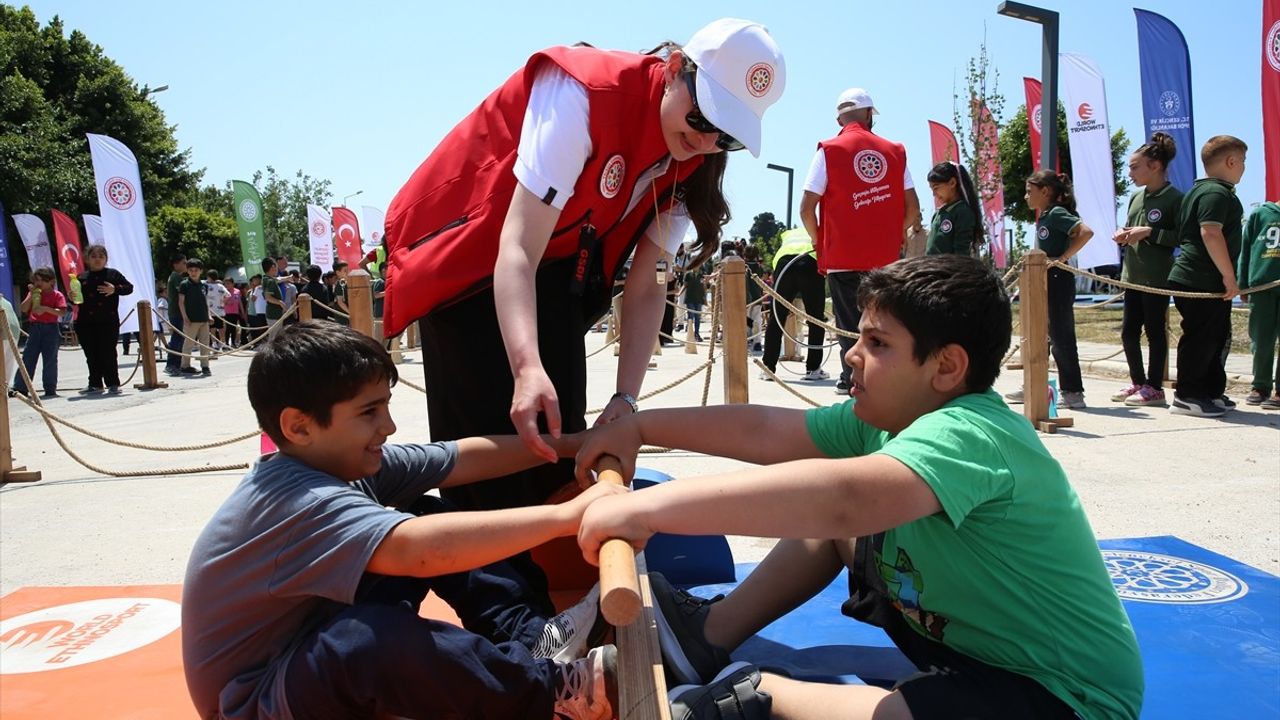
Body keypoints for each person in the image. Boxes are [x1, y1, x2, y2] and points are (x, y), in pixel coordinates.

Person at [574, 255, 1143, 720]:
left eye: (877, 343)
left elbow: (845, 499)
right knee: (830, 531)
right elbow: (765, 429)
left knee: (901, 715)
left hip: (1063, 697)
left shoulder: (973, 432)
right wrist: (642, 426)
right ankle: (707, 636)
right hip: (959, 645)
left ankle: (752, 698)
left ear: (946, 367)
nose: (852, 354)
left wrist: (647, 511)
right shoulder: (882, 421)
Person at [383, 19, 786, 599]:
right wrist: (526, 368)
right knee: (492, 458)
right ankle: (495, 605)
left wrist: (625, 402)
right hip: (471, 268)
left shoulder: (691, 165)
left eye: (725, 136)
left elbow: (646, 284)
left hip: (553, 280)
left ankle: (542, 598)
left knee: (555, 448)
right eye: (699, 120)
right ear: (675, 70)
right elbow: (516, 247)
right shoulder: (582, 94)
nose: (704, 142)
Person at [182, 321, 625, 720]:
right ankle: (550, 694)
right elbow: (421, 551)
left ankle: (532, 639)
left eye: (386, 407)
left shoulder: (341, 464)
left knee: (421, 510)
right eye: (369, 412)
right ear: (299, 427)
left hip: (302, 656)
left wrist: (578, 444)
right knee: (361, 641)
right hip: (260, 704)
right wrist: (569, 517)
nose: (389, 426)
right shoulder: (296, 500)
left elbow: (459, 458)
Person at [800, 87, 922, 395]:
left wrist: (820, 240)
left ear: (839, 117)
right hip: (885, 258)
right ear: (869, 115)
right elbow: (914, 209)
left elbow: (805, 208)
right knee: (883, 319)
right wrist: (893, 235)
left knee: (849, 321)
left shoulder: (828, 150)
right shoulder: (895, 151)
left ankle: (850, 377)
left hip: (842, 256)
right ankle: (885, 377)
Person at [1167, 135, 1248, 418]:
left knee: (1216, 336)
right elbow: (1210, 232)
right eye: (1243, 162)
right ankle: (1188, 395)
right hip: (1200, 277)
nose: (1244, 168)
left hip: (1203, 277)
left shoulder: (1199, 191)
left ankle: (1209, 391)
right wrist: (1229, 276)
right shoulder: (1216, 193)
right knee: (1201, 338)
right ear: (1231, 161)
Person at [1005, 171, 1094, 409]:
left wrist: (1062, 258)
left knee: (1061, 337)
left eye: (1029, 191)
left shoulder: (1056, 213)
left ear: (1045, 191)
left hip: (1057, 279)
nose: (1025, 197)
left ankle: (1073, 391)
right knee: (1037, 335)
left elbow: (1085, 232)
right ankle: (1036, 386)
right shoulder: (1044, 216)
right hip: (1040, 279)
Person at [1111, 133, 1182, 407]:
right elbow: (1132, 228)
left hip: (1156, 278)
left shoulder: (1175, 199)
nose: (1129, 173)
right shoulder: (1135, 197)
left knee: (1154, 332)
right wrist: (1123, 232)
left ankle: (1155, 387)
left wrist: (1151, 232)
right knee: (1128, 332)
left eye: (1134, 166)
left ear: (1155, 166)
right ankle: (1138, 381)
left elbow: (1182, 236)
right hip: (1133, 277)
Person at [760, 227, 828, 381]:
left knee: (776, 318)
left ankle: (768, 368)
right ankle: (813, 369)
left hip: (784, 264)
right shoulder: (817, 230)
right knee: (815, 319)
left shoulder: (788, 234)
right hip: (810, 262)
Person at [75, 244, 134, 395]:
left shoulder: (112, 274)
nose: (97, 260)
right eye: (94, 256)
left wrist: (115, 289)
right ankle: (95, 383)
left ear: (106, 259)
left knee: (108, 352)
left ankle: (113, 382)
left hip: (108, 320)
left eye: (101, 256)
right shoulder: (81, 277)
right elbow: (76, 299)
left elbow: (129, 287)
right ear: (87, 259)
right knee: (91, 353)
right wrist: (71, 297)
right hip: (85, 322)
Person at [1239, 200, 1280, 409]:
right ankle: (1260, 385)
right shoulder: (1261, 214)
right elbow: (1245, 247)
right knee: (1261, 339)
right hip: (1261, 287)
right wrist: (1242, 283)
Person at [11, 267, 66, 398]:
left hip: (51, 328)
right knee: (28, 358)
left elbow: (61, 312)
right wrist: (31, 295)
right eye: (36, 280)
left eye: (42, 280)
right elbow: (24, 308)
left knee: (50, 359)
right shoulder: (34, 293)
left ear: (51, 281)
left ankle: (50, 388)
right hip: (35, 328)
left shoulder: (57, 295)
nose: (39, 283)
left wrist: (46, 309)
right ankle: (20, 387)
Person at [924, 162, 982, 256]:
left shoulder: (962, 212)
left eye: (936, 188)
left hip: (949, 269)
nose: (934, 194)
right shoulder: (938, 213)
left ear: (952, 183)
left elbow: (961, 253)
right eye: (932, 189)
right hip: (931, 267)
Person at [178, 258, 211, 376]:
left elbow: (205, 301)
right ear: (187, 271)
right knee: (189, 343)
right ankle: (185, 365)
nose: (193, 272)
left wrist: (209, 315)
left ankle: (205, 365)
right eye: (191, 270)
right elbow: (181, 302)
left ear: (201, 271)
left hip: (203, 318)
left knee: (205, 343)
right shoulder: (184, 284)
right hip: (191, 319)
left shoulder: (204, 285)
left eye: (196, 270)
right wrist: (185, 317)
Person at [164, 253, 187, 376]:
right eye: (183, 263)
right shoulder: (176, 277)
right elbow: (183, 295)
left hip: (178, 312)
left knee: (180, 339)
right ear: (176, 264)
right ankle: (171, 364)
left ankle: (178, 364)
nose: (186, 265)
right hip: (177, 312)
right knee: (177, 339)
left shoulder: (177, 277)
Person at [204, 269, 230, 350]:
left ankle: (215, 344)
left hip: (210, 311)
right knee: (221, 328)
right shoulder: (220, 286)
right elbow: (228, 295)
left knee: (213, 328)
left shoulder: (206, 286)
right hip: (219, 311)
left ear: (209, 277)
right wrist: (223, 302)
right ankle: (223, 343)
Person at [261, 257, 286, 340]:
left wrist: (288, 277)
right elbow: (268, 297)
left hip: (272, 313)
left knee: (274, 336)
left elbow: (278, 279)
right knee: (275, 338)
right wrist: (280, 302)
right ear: (272, 267)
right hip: (274, 314)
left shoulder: (266, 278)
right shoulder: (270, 281)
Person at [683, 260, 707, 342]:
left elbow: (704, 288)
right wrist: (679, 293)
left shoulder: (701, 275)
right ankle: (690, 333)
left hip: (699, 299)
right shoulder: (688, 275)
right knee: (691, 316)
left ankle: (696, 333)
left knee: (698, 317)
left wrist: (705, 299)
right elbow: (685, 285)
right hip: (690, 298)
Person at [223, 278, 243, 347]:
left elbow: (240, 303)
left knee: (234, 328)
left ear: (232, 284)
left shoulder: (237, 291)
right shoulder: (224, 291)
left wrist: (242, 312)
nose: (227, 285)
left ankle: (233, 343)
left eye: (228, 283)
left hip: (235, 312)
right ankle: (226, 343)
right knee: (228, 328)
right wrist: (226, 302)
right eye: (225, 284)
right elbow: (221, 302)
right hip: (227, 312)